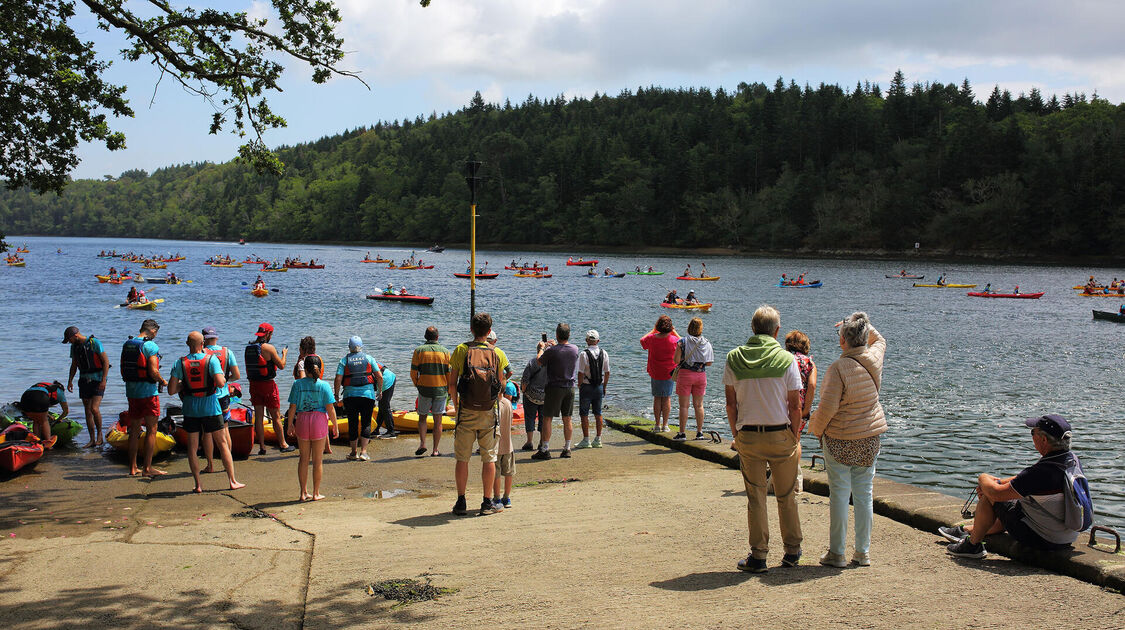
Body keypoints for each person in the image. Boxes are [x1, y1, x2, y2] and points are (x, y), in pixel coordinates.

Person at [941, 414, 1092, 560]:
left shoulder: (1041, 473)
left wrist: (983, 479)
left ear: (1044, 439)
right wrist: (999, 482)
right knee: (1009, 500)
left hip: (1044, 539)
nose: (1031, 436)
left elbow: (996, 494)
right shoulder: (1069, 460)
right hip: (1066, 535)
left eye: (1033, 432)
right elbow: (1021, 480)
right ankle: (969, 531)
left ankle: (973, 546)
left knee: (990, 497)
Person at [724, 305, 804, 573]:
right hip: (781, 433)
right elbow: (795, 405)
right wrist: (795, 434)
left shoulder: (734, 357)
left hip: (748, 435)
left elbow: (731, 403)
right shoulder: (787, 359)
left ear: (752, 328)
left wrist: (736, 433)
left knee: (755, 497)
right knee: (786, 496)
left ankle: (758, 556)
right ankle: (792, 552)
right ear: (777, 331)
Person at [808, 313, 886, 568]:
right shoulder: (875, 357)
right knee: (864, 494)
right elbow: (880, 339)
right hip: (870, 437)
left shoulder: (838, 368)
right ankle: (862, 552)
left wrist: (815, 429)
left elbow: (828, 409)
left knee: (839, 495)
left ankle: (837, 553)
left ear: (843, 340)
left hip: (841, 438)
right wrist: (859, 322)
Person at [168, 331, 244, 493]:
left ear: (188, 344)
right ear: (202, 344)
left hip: (190, 409)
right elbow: (220, 382)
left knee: (192, 447)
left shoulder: (179, 363)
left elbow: (171, 390)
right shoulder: (211, 360)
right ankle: (232, 481)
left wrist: (185, 385)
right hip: (210, 407)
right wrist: (223, 379)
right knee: (222, 443)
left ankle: (198, 485)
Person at [448, 312, 505, 515]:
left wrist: (456, 405)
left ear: (471, 329)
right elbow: (501, 385)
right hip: (489, 412)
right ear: (489, 331)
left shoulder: (461, 350)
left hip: (466, 411)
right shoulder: (496, 352)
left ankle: (461, 501)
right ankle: (486, 502)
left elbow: (452, 384)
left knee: (462, 458)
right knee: (489, 458)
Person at [286, 355, 339, 501]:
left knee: (303, 459)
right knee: (317, 460)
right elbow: (330, 409)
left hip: (302, 419)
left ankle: (303, 493)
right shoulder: (324, 386)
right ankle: (316, 493)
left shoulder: (298, 385)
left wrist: (290, 424)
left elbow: (292, 407)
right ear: (319, 369)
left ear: (306, 369)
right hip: (319, 421)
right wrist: (335, 425)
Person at [121, 319, 168, 477]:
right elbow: (153, 371)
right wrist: (162, 381)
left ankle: (133, 468)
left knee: (134, 431)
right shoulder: (151, 346)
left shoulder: (128, 343)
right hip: (148, 394)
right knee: (151, 431)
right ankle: (147, 468)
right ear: (153, 331)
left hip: (132, 392)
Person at [533, 323, 580, 460]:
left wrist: (542, 348)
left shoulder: (551, 351)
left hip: (554, 387)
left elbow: (539, 361)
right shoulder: (575, 349)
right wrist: (553, 347)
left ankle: (545, 449)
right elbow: (562, 353)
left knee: (547, 418)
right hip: (569, 387)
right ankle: (567, 448)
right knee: (567, 418)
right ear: (569, 335)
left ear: (557, 335)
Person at [245, 323, 293, 454]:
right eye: (271, 334)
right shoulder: (269, 348)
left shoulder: (248, 348)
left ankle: (262, 447)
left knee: (259, 417)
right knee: (276, 416)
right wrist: (284, 354)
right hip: (268, 385)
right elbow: (281, 365)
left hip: (254, 385)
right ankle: (283, 444)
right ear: (268, 334)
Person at [334, 336, 382, 460]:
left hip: (350, 397)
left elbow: (338, 378)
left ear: (349, 347)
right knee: (366, 422)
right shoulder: (369, 358)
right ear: (362, 346)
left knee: (353, 423)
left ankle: (353, 452)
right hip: (368, 396)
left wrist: (336, 395)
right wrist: (380, 391)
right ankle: (364, 452)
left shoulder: (344, 360)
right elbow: (379, 376)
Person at [202, 326, 244, 470]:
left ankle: (210, 465)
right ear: (216, 338)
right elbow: (237, 375)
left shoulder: (202, 353)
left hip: (208, 396)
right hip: (224, 395)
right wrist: (225, 380)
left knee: (207, 431)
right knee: (225, 428)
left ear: (204, 339)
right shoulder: (227, 352)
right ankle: (228, 462)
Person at [64, 326, 108, 448]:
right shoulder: (74, 347)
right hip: (84, 379)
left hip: (98, 379)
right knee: (87, 410)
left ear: (76, 336)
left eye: (69, 340)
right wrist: (70, 381)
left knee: (94, 408)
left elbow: (105, 362)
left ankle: (100, 436)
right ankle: (91, 439)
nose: (69, 342)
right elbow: (74, 365)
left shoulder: (95, 343)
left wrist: (103, 380)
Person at [410, 326, 451, 457]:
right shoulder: (445, 352)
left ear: (425, 337)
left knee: (422, 418)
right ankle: (435, 450)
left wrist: (418, 384)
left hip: (424, 389)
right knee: (438, 421)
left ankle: (422, 443)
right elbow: (449, 373)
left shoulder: (419, 351)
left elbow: (413, 372)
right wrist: (448, 388)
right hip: (440, 389)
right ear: (437, 337)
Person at [673, 317, 714, 441]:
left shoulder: (682, 342)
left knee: (684, 406)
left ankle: (682, 433)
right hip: (701, 376)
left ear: (689, 327)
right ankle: (699, 432)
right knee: (699, 405)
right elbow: (709, 363)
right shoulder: (706, 342)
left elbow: (676, 360)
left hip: (685, 375)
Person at [641, 315, 680, 433]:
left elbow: (642, 341)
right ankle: (665, 425)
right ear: (670, 328)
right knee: (667, 397)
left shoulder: (652, 338)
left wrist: (654, 330)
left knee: (657, 398)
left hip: (655, 371)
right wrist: (674, 331)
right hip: (669, 372)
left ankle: (657, 425)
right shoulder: (674, 340)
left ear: (658, 326)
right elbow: (684, 342)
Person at [576, 330, 609, 449]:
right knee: (598, 413)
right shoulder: (604, 353)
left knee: (584, 413)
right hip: (599, 386)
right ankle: (598, 439)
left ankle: (586, 440)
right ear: (598, 341)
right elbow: (607, 372)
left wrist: (579, 385)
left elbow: (580, 372)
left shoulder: (583, 354)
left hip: (586, 386)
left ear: (586, 341)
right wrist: (604, 386)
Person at [490, 384, 518, 509]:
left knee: (496, 473)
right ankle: (506, 497)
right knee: (508, 472)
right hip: (508, 444)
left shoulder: (493, 404)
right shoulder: (508, 403)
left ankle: (496, 497)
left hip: (495, 445)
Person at [520, 337, 550, 451]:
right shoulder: (551, 364)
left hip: (531, 395)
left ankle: (529, 441)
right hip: (546, 396)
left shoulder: (532, 362)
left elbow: (525, 380)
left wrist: (523, 390)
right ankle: (542, 442)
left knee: (529, 417)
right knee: (543, 419)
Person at [375, 362, 397, 438]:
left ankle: (391, 432)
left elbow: (379, 377)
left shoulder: (364, 365)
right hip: (385, 377)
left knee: (384, 406)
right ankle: (376, 430)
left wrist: (380, 391)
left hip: (386, 379)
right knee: (381, 405)